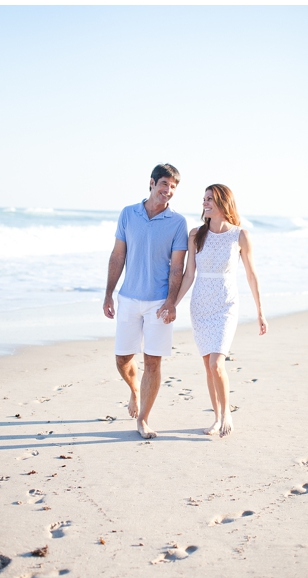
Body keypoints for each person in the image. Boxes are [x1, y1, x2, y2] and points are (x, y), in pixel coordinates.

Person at [103, 163, 188, 439]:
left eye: (173, 187)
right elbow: (118, 256)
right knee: (122, 358)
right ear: (151, 183)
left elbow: (177, 268)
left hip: (159, 304)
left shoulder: (178, 223)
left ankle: (143, 419)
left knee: (153, 363)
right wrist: (108, 293)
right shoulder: (128, 214)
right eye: (165, 184)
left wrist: (171, 302)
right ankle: (134, 390)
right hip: (128, 298)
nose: (168, 191)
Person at [175, 184, 267, 437]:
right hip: (201, 306)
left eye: (210, 199)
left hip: (226, 305)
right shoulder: (196, 235)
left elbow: (251, 274)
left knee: (217, 363)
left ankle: (227, 414)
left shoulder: (240, 236)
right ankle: (216, 418)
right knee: (208, 366)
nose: (205, 203)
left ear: (223, 203)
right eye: (203, 199)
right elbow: (189, 274)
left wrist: (260, 311)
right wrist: (173, 303)